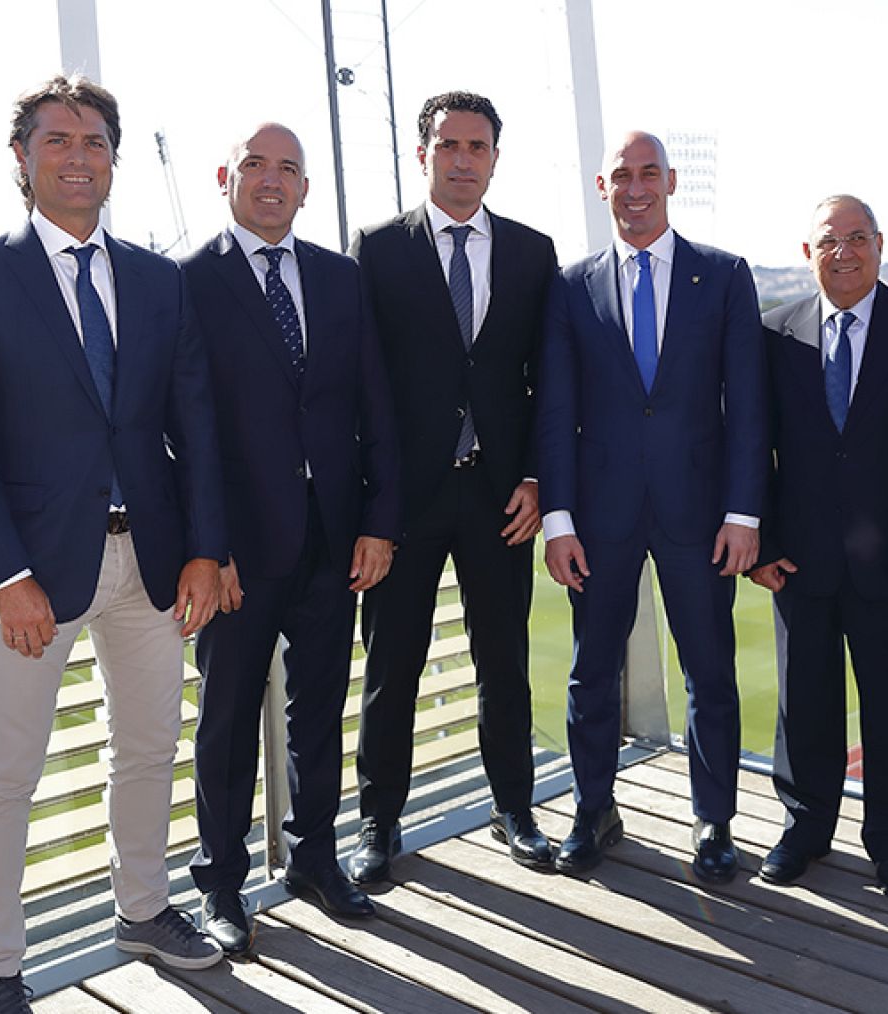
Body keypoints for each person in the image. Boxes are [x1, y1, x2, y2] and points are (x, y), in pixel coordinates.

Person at [0, 74, 227, 1013]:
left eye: (95, 141)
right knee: (4, 775)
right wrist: (5, 574)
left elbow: (194, 423)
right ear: (22, 159)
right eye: (57, 140)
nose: (79, 157)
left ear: (114, 160)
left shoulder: (158, 279)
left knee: (149, 748)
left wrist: (205, 548)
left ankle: (143, 910)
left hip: (151, 562)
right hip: (31, 575)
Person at [182, 123, 399, 952]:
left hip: (334, 538)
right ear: (225, 177)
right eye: (255, 165)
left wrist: (379, 523)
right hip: (237, 553)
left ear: (306, 188)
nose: (271, 180)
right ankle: (221, 884)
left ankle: (313, 857)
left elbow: (375, 407)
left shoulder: (341, 277)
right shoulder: (188, 281)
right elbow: (183, 428)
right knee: (227, 719)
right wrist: (210, 548)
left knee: (320, 708)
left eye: (288, 169)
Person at [537, 131, 766, 881]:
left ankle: (713, 821)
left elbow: (748, 406)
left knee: (710, 673)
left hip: (699, 516)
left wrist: (743, 513)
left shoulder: (723, 276)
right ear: (603, 187)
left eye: (648, 174)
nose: (635, 189)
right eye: (621, 177)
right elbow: (556, 409)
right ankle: (593, 810)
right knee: (591, 673)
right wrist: (559, 520)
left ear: (670, 181)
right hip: (598, 518)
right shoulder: (571, 286)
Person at [347, 91, 559, 881]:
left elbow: (547, 379)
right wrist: (374, 501)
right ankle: (378, 823)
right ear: (422, 154)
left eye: (477, 147)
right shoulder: (377, 249)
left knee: (504, 661)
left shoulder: (533, 251)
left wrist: (536, 477)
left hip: (500, 495)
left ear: (495, 158)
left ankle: (515, 808)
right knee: (391, 666)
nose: (463, 160)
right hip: (404, 499)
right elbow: (362, 382)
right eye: (448, 145)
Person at [750, 196, 888, 897]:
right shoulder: (774, 332)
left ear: (880, 244)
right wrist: (764, 543)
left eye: (857, 238)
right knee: (803, 706)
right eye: (829, 240)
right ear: (806, 252)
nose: (843, 253)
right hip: (800, 560)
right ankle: (805, 829)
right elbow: (754, 446)